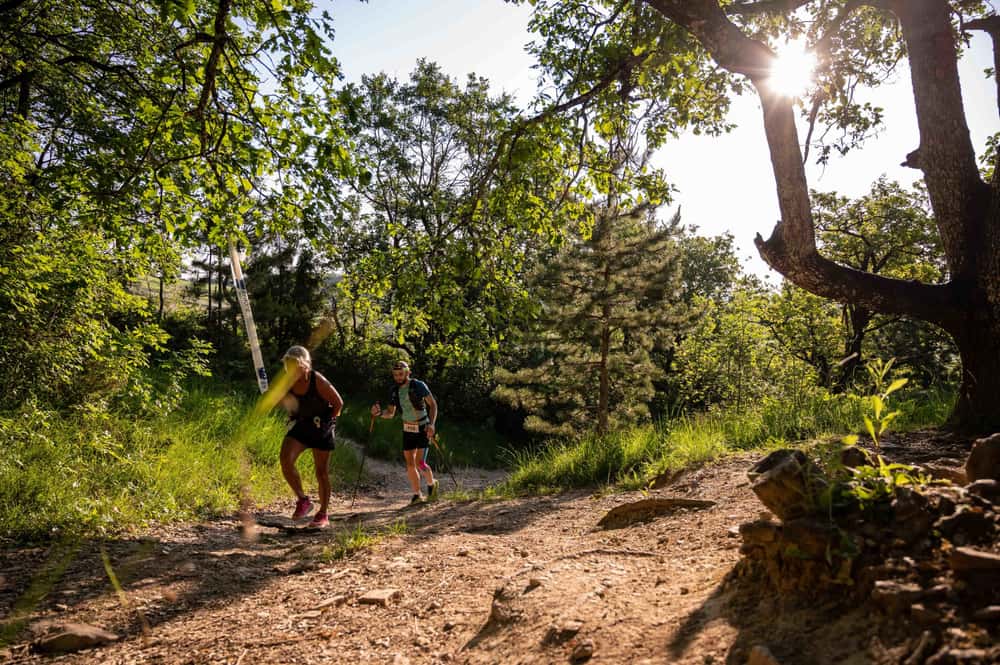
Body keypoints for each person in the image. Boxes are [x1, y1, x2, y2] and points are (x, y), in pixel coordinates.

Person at [279, 345, 343, 528]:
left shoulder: (317, 380)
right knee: (285, 459)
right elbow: (289, 404)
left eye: (295, 365)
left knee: (321, 472)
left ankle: (323, 513)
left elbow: (338, 403)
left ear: (304, 365)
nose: (291, 369)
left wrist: (327, 422)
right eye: (288, 365)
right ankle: (303, 500)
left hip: (322, 425)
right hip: (303, 424)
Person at [370, 360, 439, 504]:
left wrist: (432, 425)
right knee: (410, 464)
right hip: (407, 429)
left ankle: (432, 485)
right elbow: (390, 413)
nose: (398, 377)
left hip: (423, 427)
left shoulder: (418, 385)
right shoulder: (394, 390)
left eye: (401, 374)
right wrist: (379, 413)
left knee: (420, 463)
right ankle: (417, 494)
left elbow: (433, 405)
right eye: (395, 375)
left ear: (408, 373)